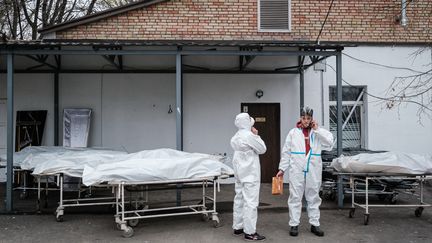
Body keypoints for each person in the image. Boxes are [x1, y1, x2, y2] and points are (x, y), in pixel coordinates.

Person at [276, 106, 334, 237]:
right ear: (300, 118)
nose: (306, 120)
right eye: (304, 118)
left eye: (308, 118)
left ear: (312, 119)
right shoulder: (293, 133)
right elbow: (286, 152)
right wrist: (282, 169)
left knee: (313, 196)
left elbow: (330, 142)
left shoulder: (317, 133)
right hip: (297, 169)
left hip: (313, 170)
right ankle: (294, 224)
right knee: (295, 196)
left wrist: (317, 129)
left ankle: (315, 224)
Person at [230, 113, 267, 241]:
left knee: (239, 199)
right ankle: (250, 232)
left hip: (239, 173)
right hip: (250, 174)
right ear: (247, 122)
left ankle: (238, 227)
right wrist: (256, 135)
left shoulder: (236, 136)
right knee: (250, 202)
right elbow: (262, 149)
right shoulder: (250, 136)